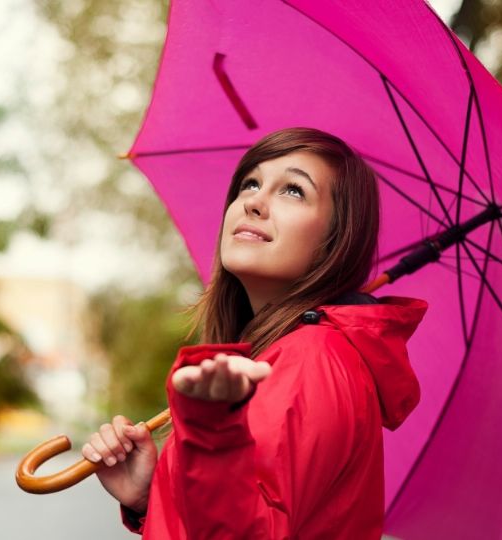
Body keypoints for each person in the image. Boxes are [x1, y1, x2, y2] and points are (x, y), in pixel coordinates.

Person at [81, 127, 428, 538]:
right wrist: (151, 497)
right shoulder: (282, 354)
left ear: (336, 239)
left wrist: (211, 430)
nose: (254, 203)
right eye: (250, 183)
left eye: (294, 191)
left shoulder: (311, 358)